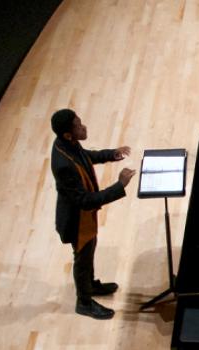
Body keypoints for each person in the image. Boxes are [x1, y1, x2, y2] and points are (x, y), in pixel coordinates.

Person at [49, 109, 134, 320]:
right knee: (82, 258)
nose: (83, 127)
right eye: (79, 125)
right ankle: (84, 302)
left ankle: (90, 285)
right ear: (68, 134)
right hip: (76, 220)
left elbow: (86, 157)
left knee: (89, 251)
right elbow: (85, 201)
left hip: (84, 216)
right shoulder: (63, 165)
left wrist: (111, 154)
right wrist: (119, 185)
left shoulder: (67, 144)